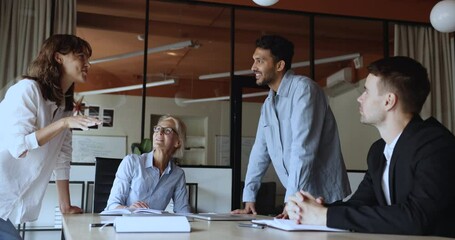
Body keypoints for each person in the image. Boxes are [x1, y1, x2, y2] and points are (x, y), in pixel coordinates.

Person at [286, 56, 455, 238]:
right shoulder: (377, 151)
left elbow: (416, 218)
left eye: (366, 91)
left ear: (388, 101)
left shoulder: (436, 145)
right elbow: (359, 205)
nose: (360, 98)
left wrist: (324, 216)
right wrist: (310, 209)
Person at [232, 35, 351, 218]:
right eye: (254, 61)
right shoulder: (268, 104)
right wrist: (249, 197)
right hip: (298, 197)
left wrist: (291, 200)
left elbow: (303, 148)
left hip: (323, 199)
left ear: (279, 65)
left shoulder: (304, 90)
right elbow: (260, 151)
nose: (253, 67)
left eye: (260, 61)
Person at [0, 34, 102, 239]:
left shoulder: (63, 107)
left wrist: (65, 205)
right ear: (58, 57)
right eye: (81, 56)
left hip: (8, 205)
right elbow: (19, 146)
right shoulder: (26, 90)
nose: (87, 64)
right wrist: (64, 123)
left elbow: (62, 157)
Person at [105, 115, 191, 213]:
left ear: (178, 142)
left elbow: (183, 210)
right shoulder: (131, 162)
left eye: (167, 130)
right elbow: (111, 206)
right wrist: (129, 210)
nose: (160, 132)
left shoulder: (178, 174)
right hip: (127, 224)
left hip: (154, 226)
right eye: (157, 129)